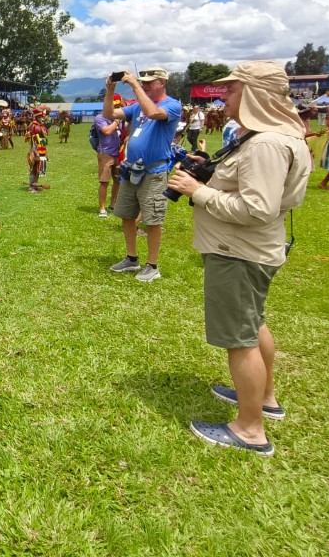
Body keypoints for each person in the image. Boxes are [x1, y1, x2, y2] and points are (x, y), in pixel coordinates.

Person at [167, 61, 311, 456]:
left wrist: (198, 191)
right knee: (253, 323)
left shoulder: (265, 144)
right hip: (254, 251)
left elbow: (256, 208)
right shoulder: (276, 136)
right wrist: (210, 175)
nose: (223, 97)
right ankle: (264, 398)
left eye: (231, 90)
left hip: (239, 253)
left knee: (239, 339)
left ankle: (250, 429)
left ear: (255, 93)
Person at [104, 66, 182, 282]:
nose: (145, 85)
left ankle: (153, 265)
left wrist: (135, 86)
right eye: (143, 82)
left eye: (149, 82)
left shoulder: (171, 105)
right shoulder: (137, 107)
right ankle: (131, 258)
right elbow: (109, 114)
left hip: (154, 171)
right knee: (127, 215)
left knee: (152, 219)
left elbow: (154, 113)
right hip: (132, 170)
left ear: (163, 83)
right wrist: (110, 90)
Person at [94, 95, 125, 218]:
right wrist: (117, 121)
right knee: (104, 182)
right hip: (105, 153)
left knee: (118, 180)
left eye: (118, 106)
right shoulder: (100, 118)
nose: (117, 109)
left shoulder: (120, 118)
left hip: (118, 152)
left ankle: (113, 204)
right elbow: (107, 131)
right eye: (115, 106)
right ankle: (102, 208)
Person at [25, 106, 50, 191]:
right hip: (36, 149)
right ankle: (31, 187)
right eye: (41, 117)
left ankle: (35, 185)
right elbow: (33, 140)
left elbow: (44, 137)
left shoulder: (41, 125)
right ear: (37, 116)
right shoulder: (34, 126)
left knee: (39, 169)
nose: (43, 118)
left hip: (42, 148)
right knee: (35, 169)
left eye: (42, 117)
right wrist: (35, 152)